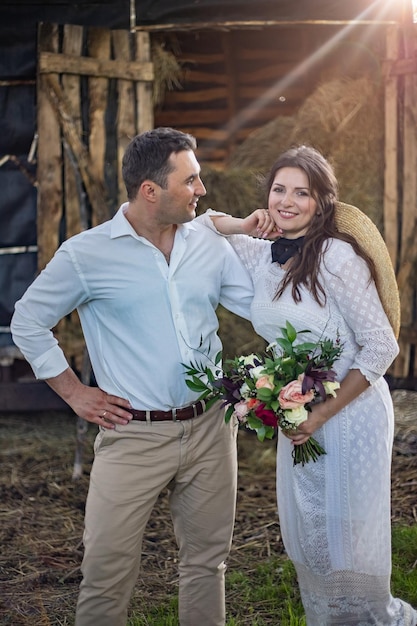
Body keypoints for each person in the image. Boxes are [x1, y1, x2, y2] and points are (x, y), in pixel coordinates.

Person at [10, 127, 255, 626]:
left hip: (212, 427)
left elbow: (256, 307)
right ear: (151, 190)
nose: (201, 191)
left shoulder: (206, 243)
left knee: (208, 563)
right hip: (132, 435)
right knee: (105, 575)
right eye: (190, 181)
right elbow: (27, 321)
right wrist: (75, 393)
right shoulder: (86, 254)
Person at [196, 145, 417, 625]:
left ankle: (371, 616)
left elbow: (381, 346)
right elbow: (202, 222)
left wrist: (319, 413)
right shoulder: (263, 257)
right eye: (279, 190)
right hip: (299, 410)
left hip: (349, 409)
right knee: (311, 527)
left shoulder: (337, 257)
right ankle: (330, 617)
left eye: (302, 192)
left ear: (322, 201)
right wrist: (244, 223)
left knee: (348, 533)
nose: (288, 201)